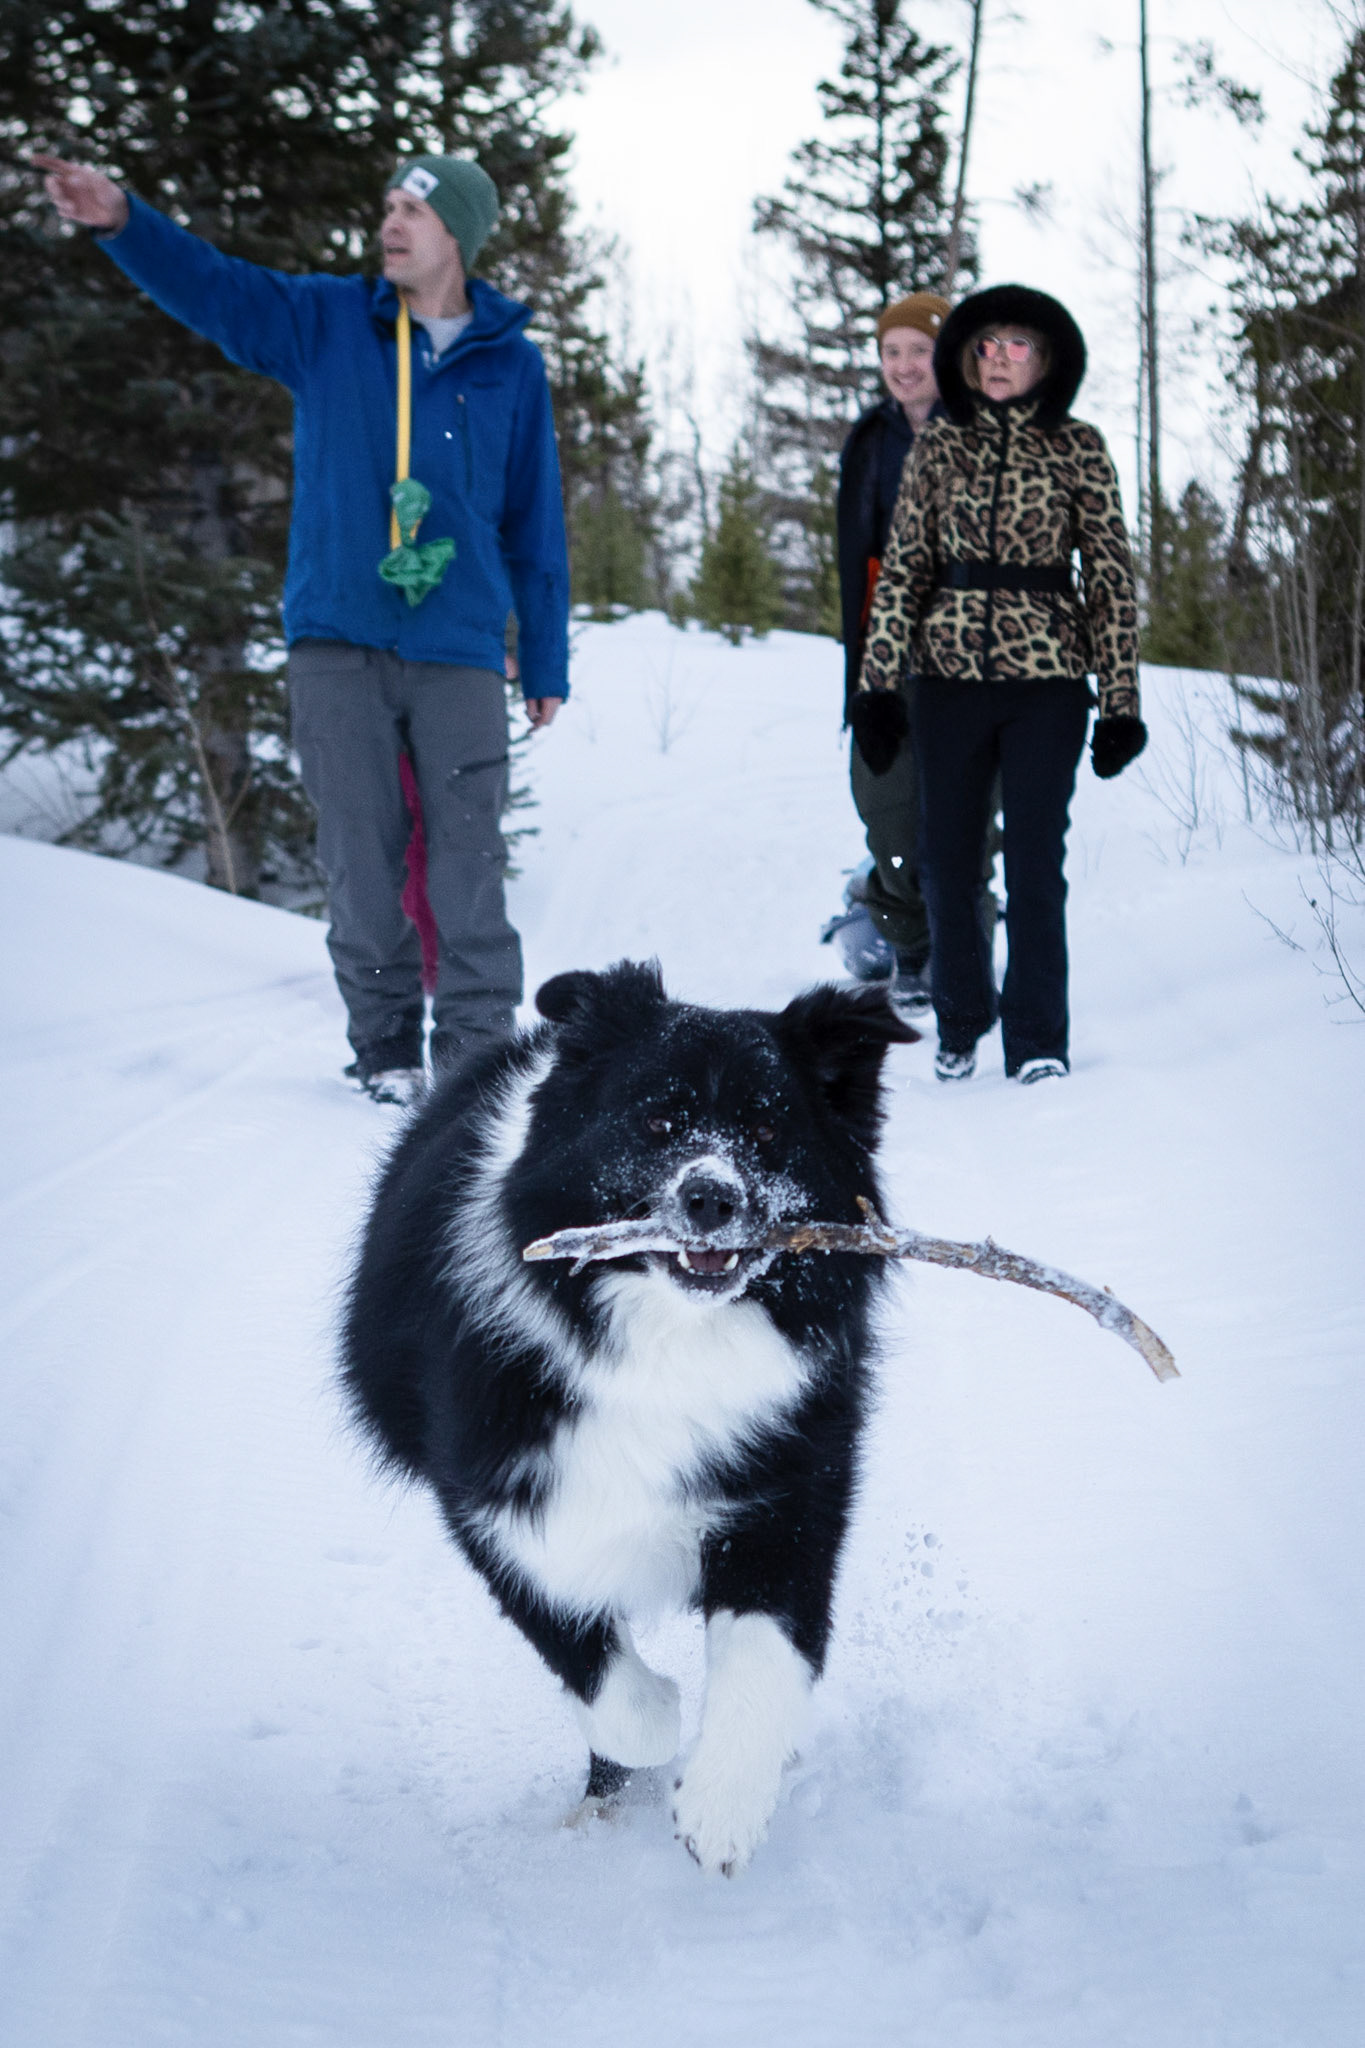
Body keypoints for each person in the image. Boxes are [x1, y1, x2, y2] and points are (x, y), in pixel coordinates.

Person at [36, 151, 570, 1106]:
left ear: (459, 235)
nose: (391, 223)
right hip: (339, 637)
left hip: (455, 644)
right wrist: (123, 220)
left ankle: (480, 1061)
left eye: (413, 209)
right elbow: (218, 291)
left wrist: (545, 654)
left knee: (469, 857)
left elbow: (536, 521)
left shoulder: (510, 365)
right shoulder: (328, 321)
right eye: (387, 206)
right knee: (359, 856)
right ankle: (385, 1050)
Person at [855, 284, 1146, 1084]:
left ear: (1047, 358)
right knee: (945, 860)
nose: (998, 358)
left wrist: (1119, 702)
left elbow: (1111, 578)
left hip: (1046, 683)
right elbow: (905, 570)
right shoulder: (940, 448)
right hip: (946, 681)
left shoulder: (1077, 446)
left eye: (1016, 344)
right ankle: (959, 1018)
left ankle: (1037, 1039)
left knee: (1032, 865)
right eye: (985, 345)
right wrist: (878, 687)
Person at [836, 292, 994, 1019]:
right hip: (886, 656)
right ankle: (906, 941)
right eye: (889, 352)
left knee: (968, 815)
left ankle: (964, 952)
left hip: (974, 655)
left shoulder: (989, 432)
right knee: (889, 809)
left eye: (917, 351)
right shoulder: (870, 439)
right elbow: (852, 559)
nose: (902, 366)